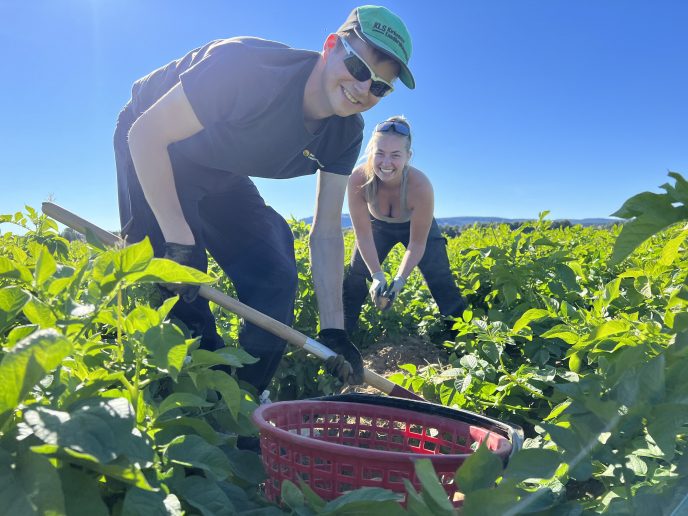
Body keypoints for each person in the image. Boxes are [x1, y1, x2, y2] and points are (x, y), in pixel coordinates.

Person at [114, 6, 415, 396]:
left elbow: (325, 231)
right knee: (177, 284)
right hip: (154, 142)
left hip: (220, 165)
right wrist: (177, 238)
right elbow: (145, 135)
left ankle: (240, 404)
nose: (363, 89)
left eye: (379, 87)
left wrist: (334, 330)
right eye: (358, 68)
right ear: (330, 46)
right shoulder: (247, 68)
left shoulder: (345, 134)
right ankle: (187, 408)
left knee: (274, 272)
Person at [343, 116, 467, 336]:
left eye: (395, 155)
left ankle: (461, 340)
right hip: (377, 227)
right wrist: (377, 275)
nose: (386, 163)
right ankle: (341, 336)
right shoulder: (358, 180)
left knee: (440, 278)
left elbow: (417, 243)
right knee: (355, 279)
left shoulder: (420, 186)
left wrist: (400, 280)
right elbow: (363, 235)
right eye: (379, 153)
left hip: (417, 228)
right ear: (371, 152)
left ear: (408, 157)